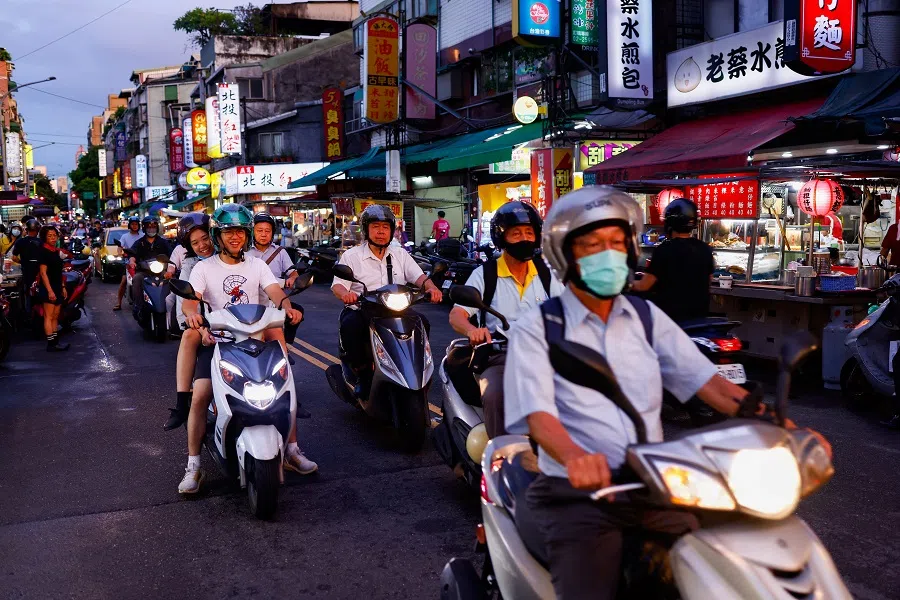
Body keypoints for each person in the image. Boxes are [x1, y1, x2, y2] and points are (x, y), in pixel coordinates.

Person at [504, 187, 778, 600]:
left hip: (653, 485)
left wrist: (775, 423)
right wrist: (576, 457)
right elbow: (539, 418)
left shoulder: (647, 318)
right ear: (566, 255)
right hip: (578, 497)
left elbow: (711, 384)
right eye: (592, 244)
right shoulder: (537, 328)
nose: (607, 254)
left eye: (616, 242)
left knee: (714, 571)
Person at [178, 204, 315, 494]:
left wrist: (288, 307)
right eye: (228, 232)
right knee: (201, 393)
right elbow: (192, 300)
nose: (235, 236)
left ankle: (291, 450)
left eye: (240, 231)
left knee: (284, 389)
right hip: (219, 341)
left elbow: (275, 292)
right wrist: (192, 313)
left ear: (248, 234)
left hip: (255, 339)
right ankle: (193, 465)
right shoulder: (204, 267)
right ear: (218, 236)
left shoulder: (257, 264)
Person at [448, 201, 564, 438]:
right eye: (516, 233)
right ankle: (502, 457)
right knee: (494, 394)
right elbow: (457, 315)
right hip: (500, 356)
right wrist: (472, 331)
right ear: (502, 238)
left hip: (545, 355)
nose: (524, 238)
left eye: (529, 232)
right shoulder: (485, 274)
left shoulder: (547, 273)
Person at [331, 205, 443, 384]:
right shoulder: (351, 256)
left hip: (396, 308)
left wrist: (431, 288)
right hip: (363, 309)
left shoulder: (400, 254)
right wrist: (347, 294)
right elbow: (338, 286)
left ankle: (417, 367)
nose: (381, 232)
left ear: (391, 231)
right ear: (367, 230)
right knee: (350, 327)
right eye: (376, 227)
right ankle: (362, 373)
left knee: (422, 323)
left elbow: (419, 277)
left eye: (385, 227)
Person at [163, 213, 214, 431]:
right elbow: (187, 305)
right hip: (206, 328)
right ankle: (181, 403)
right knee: (189, 335)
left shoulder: (236, 257)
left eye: (205, 238)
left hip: (238, 325)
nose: (202, 245)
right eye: (195, 242)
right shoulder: (192, 266)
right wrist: (199, 326)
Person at [632, 198, 715, 323]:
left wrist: (626, 284)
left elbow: (644, 286)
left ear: (669, 223)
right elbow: (708, 282)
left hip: (669, 321)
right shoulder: (705, 248)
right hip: (699, 320)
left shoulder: (664, 250)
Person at [36, 225, 70, 352]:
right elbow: (43, 273)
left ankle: (56, 342)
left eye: (54, 235)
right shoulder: (43, 251)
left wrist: (62, 286)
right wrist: (50, 291)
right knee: (49, 316)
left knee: (55, 315)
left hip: (57, 286)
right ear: (44, 237)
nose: (52, 238)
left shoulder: (56, 251)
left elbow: (58, 271)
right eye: (49, 236)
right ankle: (51, 344)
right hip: (47, 287)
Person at [129, 215, 172, 310]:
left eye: (153, 227)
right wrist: (132, 261)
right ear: (144, 228)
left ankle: (174, 307)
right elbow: (132, 254)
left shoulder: (163, 242)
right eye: (149, 227)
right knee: (136, 279)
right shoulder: (139, 243)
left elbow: (172, 255)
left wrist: (171, 269)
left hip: (162, 271)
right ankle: (139, 307)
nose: (151, 229)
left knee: (174, 279)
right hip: (144, 272)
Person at [113, 216, 144, 311]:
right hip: (128, 262)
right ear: (129, 225)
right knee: (123, 281)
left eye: (136, 224)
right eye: (132, 224)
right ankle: (119, 302)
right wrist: (119, 252)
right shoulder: (125, 236)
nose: (134, 226)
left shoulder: (143, 235)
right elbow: (120, 246)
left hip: (142, 261)